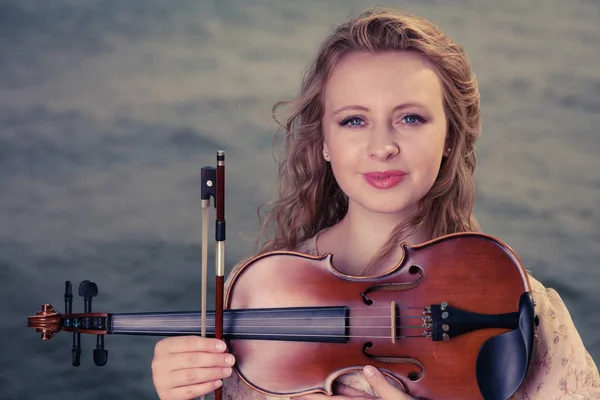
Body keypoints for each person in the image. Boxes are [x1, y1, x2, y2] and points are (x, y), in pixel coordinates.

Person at [150, 7, 600, 400]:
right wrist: (183, 392)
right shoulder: (259, 294)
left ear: (449, 138)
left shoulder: (518, 303)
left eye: (410, 118)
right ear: (324, 141)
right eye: (353, 120)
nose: (381, 146)